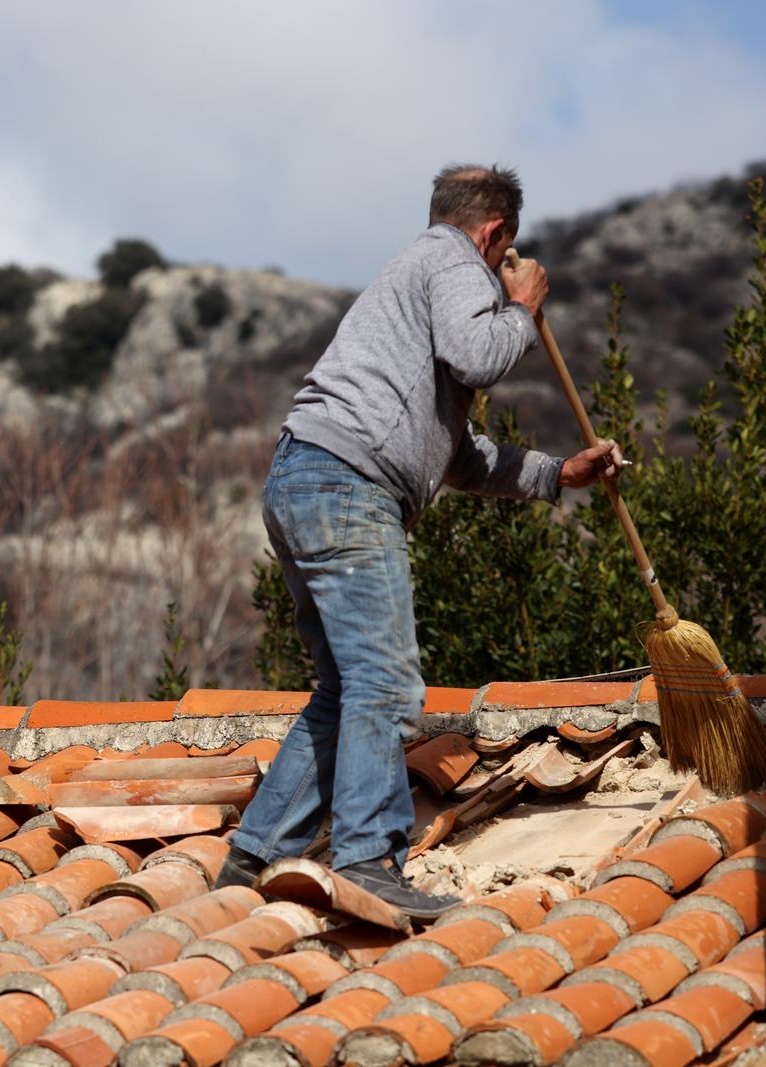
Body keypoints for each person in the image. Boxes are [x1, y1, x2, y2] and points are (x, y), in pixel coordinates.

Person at [215, 164, 624, 918]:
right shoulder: (451, 259)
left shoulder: (414, 283)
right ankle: (369, 860)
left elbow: (458, 454)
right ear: (495, 234)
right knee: (385, 685)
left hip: (309, 477)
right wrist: (525, 308)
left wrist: (557, 473)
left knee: (345, 689)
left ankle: (255, 856)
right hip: (348, 484)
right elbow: (480, 356)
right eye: (505, 257)